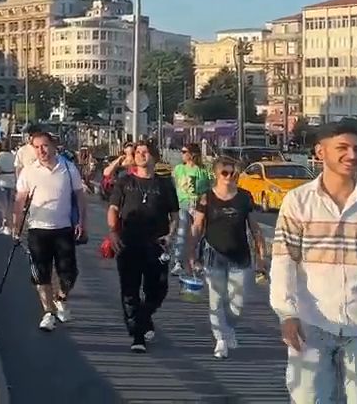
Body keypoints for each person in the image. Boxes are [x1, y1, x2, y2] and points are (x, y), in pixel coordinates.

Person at [271, 121, 357, 402]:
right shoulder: (298, 202)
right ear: (320, 152)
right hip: (311, 325)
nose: (352, 155)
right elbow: (284, 261)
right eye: (342, 148)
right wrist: (286, 314)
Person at [186, 156, 267, 359]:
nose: (230, 177)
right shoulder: (206, 198)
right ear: (216, 174)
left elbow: (255, 228)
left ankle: (229, 328)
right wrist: (190, 253)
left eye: (234, 173)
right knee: (216, 299)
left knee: (237, 304)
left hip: (240, 256)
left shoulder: (244, 197)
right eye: (225, 173)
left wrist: (261, 256)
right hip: (214, 255)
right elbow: (197, 226)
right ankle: (220, 339)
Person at [107, 139, 179, 353]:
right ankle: (138, 335)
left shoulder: (164, 184)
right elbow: (113, 208)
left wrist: (170, 234)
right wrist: (113, 233)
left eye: (146, 152)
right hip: (128, 242)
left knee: (158, 288)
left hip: (156, 244)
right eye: (138, 152)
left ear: (155, 156)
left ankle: (143, 318)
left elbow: (174, 215)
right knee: (130, 290)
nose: (141, 155)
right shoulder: (124, 181)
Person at [12, 129, 86, 332]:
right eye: (36, 147)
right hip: (38, 229)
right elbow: (20, 201)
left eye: (44, 146)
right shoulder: (29, 171)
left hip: (64, 229)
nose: (41, 150)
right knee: (41, 274)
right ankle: (48, 313)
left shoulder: (68, 168)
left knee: (69, 274)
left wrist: (82, 221)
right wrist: (16, 227)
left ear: (53, 146)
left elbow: (80, 197)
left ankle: (60, 298)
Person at [171, 143, 213, 275]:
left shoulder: (203, 171)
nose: (182, 154)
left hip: (199, 205)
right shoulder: (178, 169)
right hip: (183, 203)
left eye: (184, 152)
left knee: (199, 234)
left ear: (192, 154)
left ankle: (197, 261)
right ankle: (178, 262)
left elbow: (209, 187)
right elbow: (174, 185)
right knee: (182, 232)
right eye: (182, 152)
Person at [0, 141, 19, 234]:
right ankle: (10, 226)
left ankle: (5, 225)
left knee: (3, 205)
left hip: (2, 182)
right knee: (10, 205)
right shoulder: (13, 156)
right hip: (12, 181)